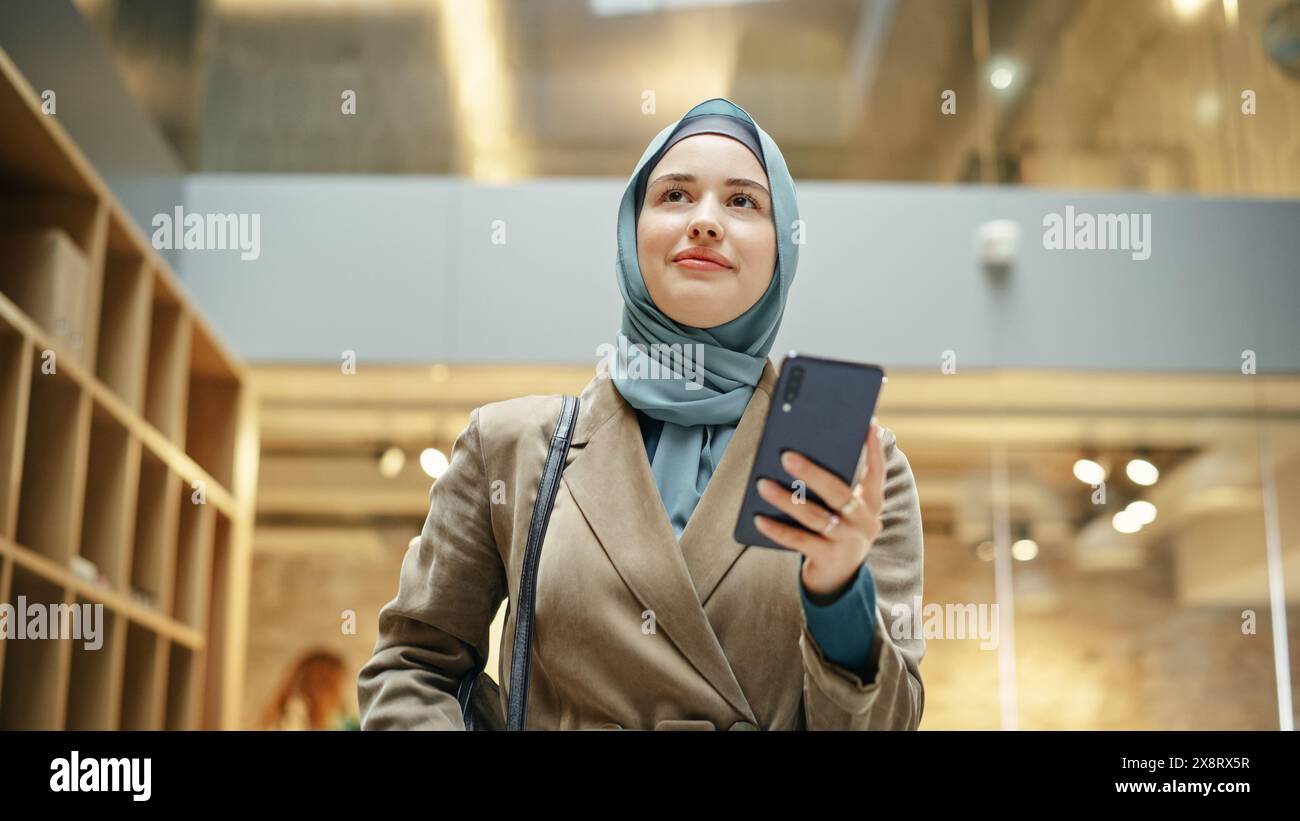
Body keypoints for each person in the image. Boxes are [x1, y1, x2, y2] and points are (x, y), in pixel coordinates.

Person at [358, 98, 925, 730]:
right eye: (675, 195)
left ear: (782, 248)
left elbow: (890, 722)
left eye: (743, 202)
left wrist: (837, 595)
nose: (706, 222)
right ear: (634, 230)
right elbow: (414, 664)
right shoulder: (512, 447)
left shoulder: (851, 465)